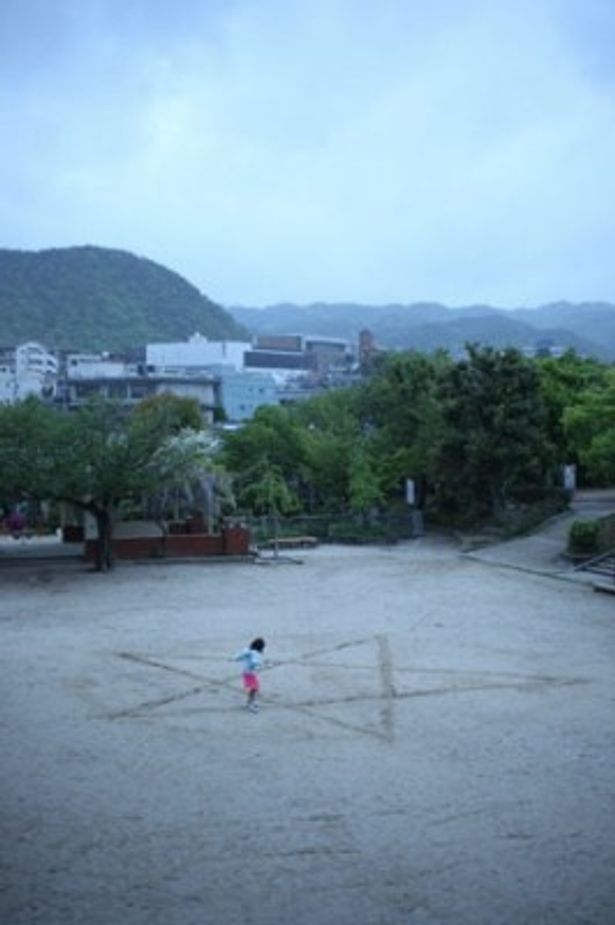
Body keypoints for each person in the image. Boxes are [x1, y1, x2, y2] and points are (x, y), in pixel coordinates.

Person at [233, 638, 266, 713]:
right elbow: (254, 662)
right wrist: (258, 666)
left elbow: (240, 657)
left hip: (246, 673)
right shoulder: (254, 653)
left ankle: (251, 702)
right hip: (250, 673)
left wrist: (235, 659)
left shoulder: (248, 650)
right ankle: (250, 703)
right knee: (254, 688)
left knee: (254, 688)